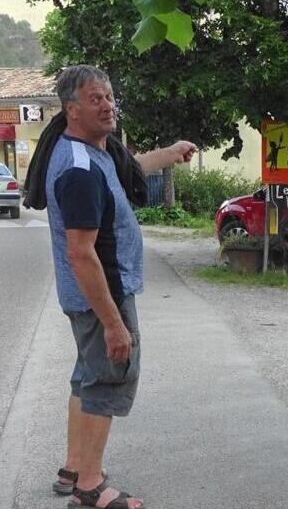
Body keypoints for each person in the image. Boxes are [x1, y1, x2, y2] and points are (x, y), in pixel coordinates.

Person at [45, 65, 196, 509]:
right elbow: (81, 253)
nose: (108, 105)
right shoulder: (78, 170)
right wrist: (114, 324)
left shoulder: (95, 151)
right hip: (101, 296)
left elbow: (129, 170)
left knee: (88, 378)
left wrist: (169, 153)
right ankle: (90, 486)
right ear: (72, 110)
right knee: (108, 380)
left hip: (94, 295)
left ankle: (74, 466)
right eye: (95, 99)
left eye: (110, 97)